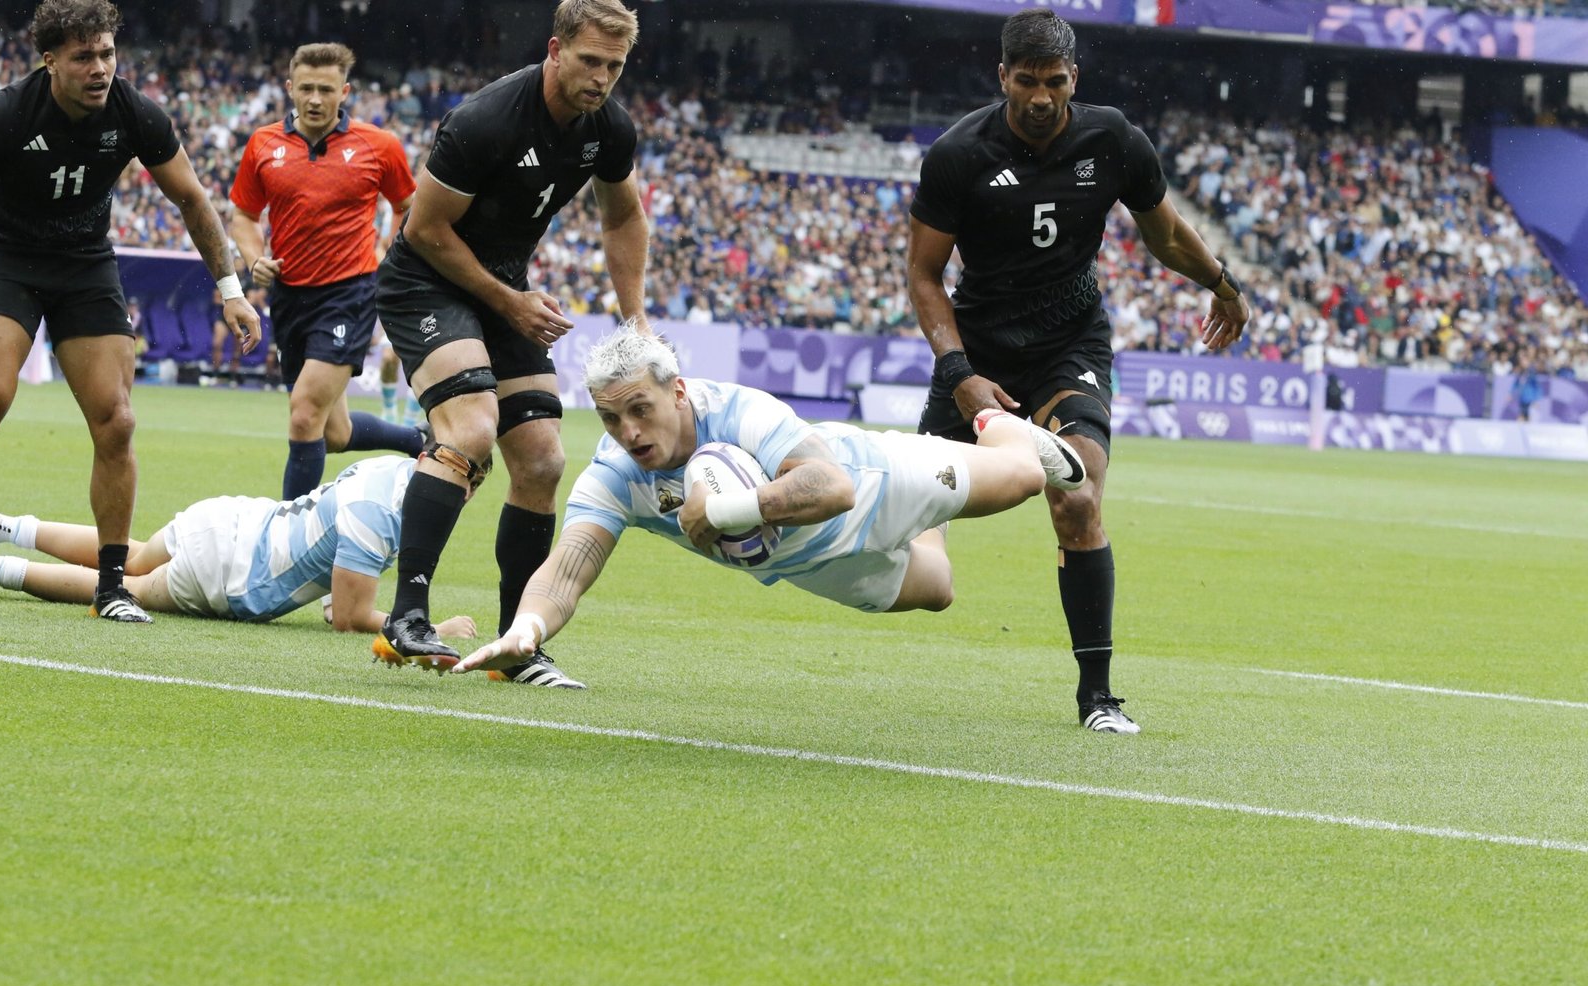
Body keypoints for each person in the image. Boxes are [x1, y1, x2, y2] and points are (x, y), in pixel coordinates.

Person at [906, 12, 1249, 734]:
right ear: (1002, 77)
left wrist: (1222, 282)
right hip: (980, 351)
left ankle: (1098, 697)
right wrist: (961, 375)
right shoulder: (958, 154)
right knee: (908, 511)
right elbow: (924, 275)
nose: (1039, 96)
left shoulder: (1113, 139)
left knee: (1079, 496)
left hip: (1070, 345)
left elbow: (1164, 233)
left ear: (1074, 80)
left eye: (1054, 81)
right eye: (1025, 81)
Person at [449, 328, 1091, 692]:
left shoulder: (737, 409)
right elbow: (567, 569)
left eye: (641, 410)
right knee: (939, 589)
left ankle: (991, 426)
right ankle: (940, 504)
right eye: (612, 418)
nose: (630, 432)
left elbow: (832, 487)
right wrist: (526, 632)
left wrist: (732, 508)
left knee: (1026, 477)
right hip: (815, 565)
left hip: (873, 482)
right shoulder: (617, 475)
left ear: (677, 393)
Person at [372, 0, 650, 688]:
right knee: (469, 428)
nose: (601, 78)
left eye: (614, 66)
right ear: (555, 50)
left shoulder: (610, 128)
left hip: (504, 288)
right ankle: (407, 616)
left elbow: (624, 214)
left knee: (544, 459)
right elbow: (425, 232)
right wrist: (511, 303)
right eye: (589, 61)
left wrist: (635, 318)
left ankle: (513, 645)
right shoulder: (486, 120)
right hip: (425, 280)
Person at [0, 0, 261, 624]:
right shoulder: (5, 114)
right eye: (83, 56)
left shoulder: (136, 113)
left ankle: (111, 588)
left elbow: (192, 199)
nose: (99, 68)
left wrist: (230, 289)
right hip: (6, 259)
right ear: (49, 59)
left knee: (116, 422)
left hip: (85, 265)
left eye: (107, 53)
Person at [0, 455, 477, 639]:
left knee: (129, 554)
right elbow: (346, 617)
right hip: (234, 574)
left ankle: (3, 526)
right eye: (463, 484)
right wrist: (430, 627)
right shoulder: (384, 516)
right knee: (126, 586)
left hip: (230, 517)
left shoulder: (389, 467)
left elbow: (338, 584)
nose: (462, 496)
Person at [230, 41, 424, 500]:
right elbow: (243, 215)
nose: (315, 99)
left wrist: (387, 253)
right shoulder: (263, 144)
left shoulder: (379, 146)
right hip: (290, 296)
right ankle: (420, 440)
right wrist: (255, 258)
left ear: (345, 92)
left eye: (326, 89)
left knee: (302, 416)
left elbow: (407, 206)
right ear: (290, 89)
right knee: (331, 432)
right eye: (306, 89)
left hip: (350, 293)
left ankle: (286, 537)